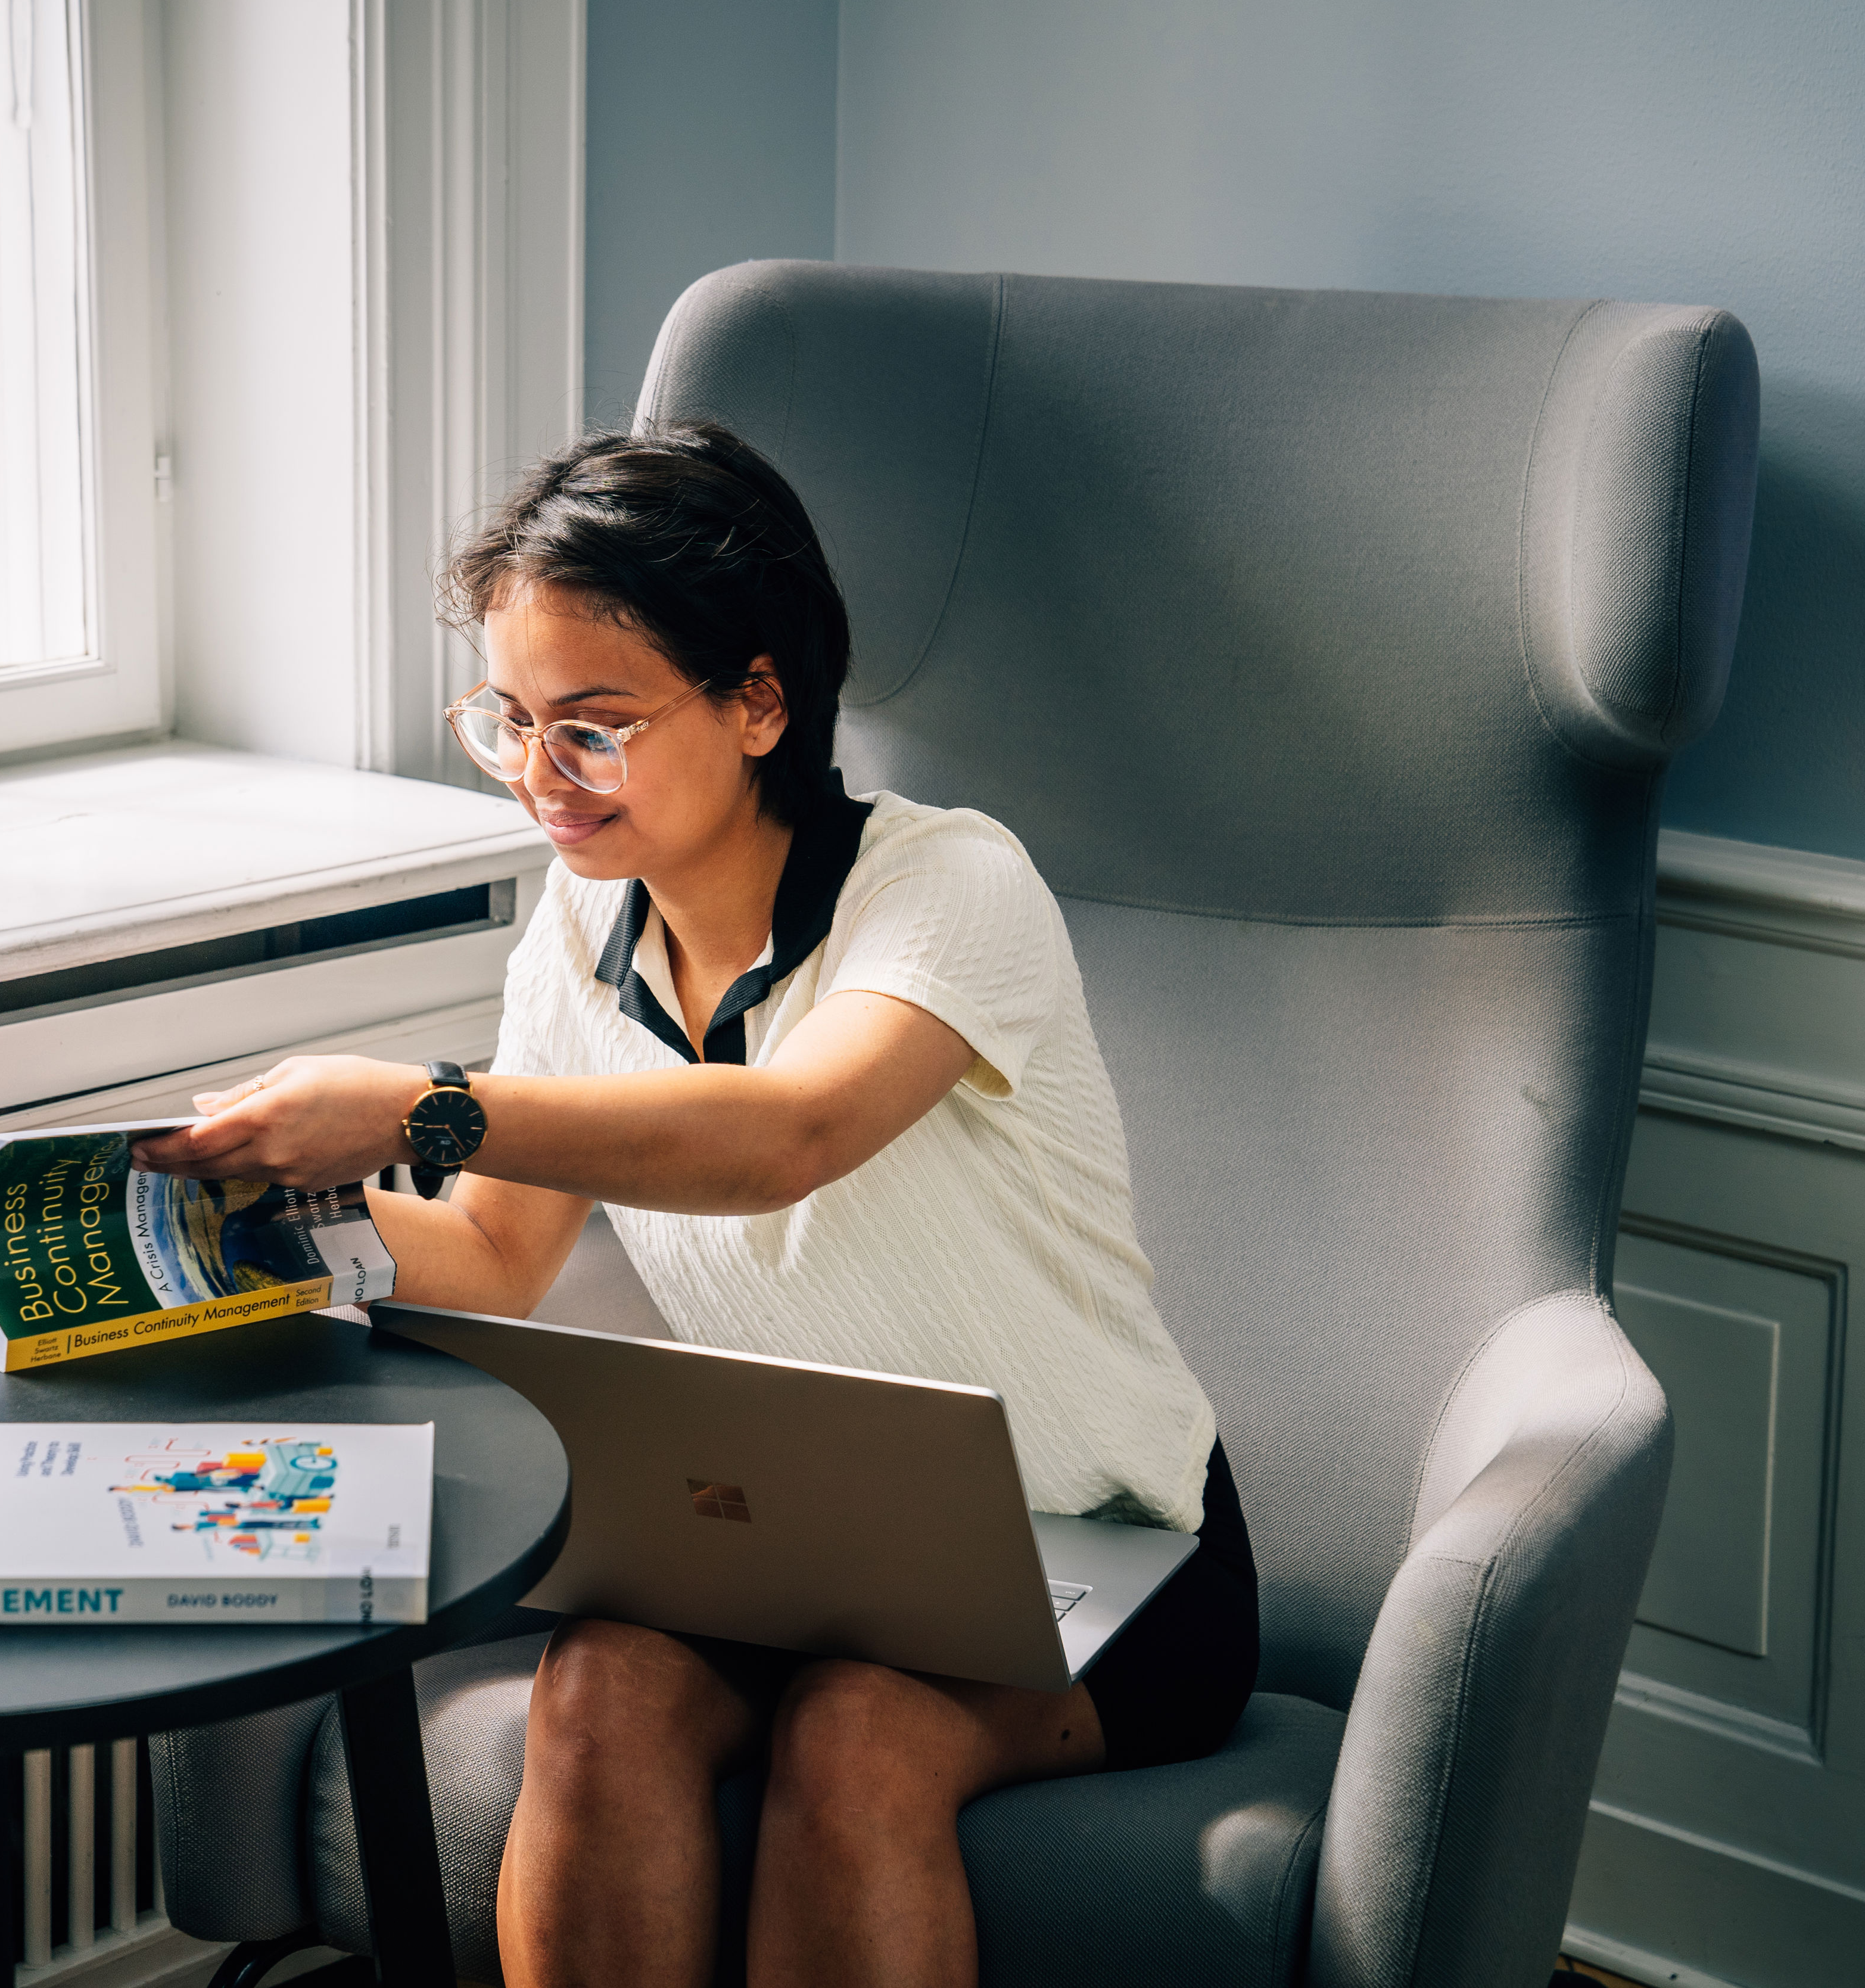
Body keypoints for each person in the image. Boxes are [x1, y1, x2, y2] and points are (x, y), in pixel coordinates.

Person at [134, 423, 1257, 1988]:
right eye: (509, 721)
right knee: (593, 1693)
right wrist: (262, 1222)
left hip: (1109, 1554)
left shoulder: (949, 888)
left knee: (862, 1737)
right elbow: (495, 1255)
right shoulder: (579, 920)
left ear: (757, 701)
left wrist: (411, 1109)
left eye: (593, 728)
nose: (541, 777)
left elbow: (789, 1133)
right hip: (809, 1542)